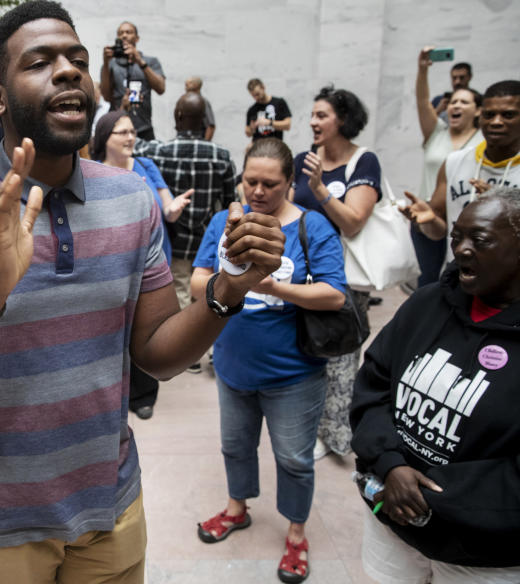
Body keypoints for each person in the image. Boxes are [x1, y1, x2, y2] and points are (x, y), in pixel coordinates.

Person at [0, 0, 284, 583]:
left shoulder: (131, 198)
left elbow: (156, 353)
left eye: (76, 57)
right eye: (40, 61)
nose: (69, 69)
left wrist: (227, 290)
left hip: (110, 502)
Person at [191, 138, 347, 584]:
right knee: (235, 446)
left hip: (294, 373)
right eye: (250, 181)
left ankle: (297, 533)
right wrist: (230, 280)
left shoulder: (311, 228)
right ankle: (238, 508)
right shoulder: (226, 220)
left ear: (290, 184)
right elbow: (201, 276)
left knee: (294, 458)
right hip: (233, 365)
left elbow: (334, 294)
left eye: (270, 184)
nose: (258, 191)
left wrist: (270, 287)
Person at [350, 188, 520, 584]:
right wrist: (390, 465)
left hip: (480, 554)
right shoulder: (427, 303)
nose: (460, 249)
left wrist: (428, 494)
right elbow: (372, 385)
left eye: (479, 241)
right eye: (457, 236)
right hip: (392, 523)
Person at [291, 86, 381, 460]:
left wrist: (320, 190)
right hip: (304, 272)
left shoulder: (364, 161)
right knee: (306, 348)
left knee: (342, 354)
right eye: (312, 115)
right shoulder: (303, 158)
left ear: (342, 120)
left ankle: (334, 434)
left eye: (322, 115)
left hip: (345, 275)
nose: (313, 122)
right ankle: (306, 424)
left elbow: (355, 222)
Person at [92, 110, 193, 419]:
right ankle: (114, 392)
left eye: (132, 132)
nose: (130, 137)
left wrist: (174, 209)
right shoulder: (93, 172)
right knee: (114, 330)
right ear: (104, 139)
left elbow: (167, 208)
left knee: (150, 326)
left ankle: (144, 395)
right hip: (111, 263)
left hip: (152, 260)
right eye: (122, 132)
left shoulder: (146, 166)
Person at [134, 92, 237, 312]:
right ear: (204, 120)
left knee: (179, 302)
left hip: (176, 245)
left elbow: (130, 144)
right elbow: (231, 204)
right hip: (208, 244)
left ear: (178, 117)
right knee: (208, 302)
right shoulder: (222, 156)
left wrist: (131, 107)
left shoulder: (159, 152)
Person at [402, 80, 520, 266]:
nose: (496, 122)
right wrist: (429, 221)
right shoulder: (454, 162)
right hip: (458, 277)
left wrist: (500, 204)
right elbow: (438, 232)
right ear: (480, 116)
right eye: (489, 115)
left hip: (510, 283)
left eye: (508, 115)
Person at [409, 47, 483, 289]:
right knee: (427, 281)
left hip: (464, 219)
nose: (455, 106)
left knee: (461, 278)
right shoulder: (435, 132)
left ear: (478, 110)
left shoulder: (484, 139)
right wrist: (422, 69)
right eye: (452, 101)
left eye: (463, 101)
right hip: (428, 212)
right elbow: (421, 102)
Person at [101, 21, 166, 140]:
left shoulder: (150, 61)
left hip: (143, 127)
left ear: (137, 38)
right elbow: (106, 96)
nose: (124, 35)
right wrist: (106, 64)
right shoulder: (111, 63)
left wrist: (140, 61)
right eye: (120, 33)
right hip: (118, 126)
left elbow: (161, 88)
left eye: (128, 32)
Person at [184, 76, 217, 140]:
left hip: (199, 141)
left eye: (190, 83)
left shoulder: (203, 102)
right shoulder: (185, 102)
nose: (186, 85)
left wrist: (205, 144)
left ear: (197, 85)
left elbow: (211, 126)